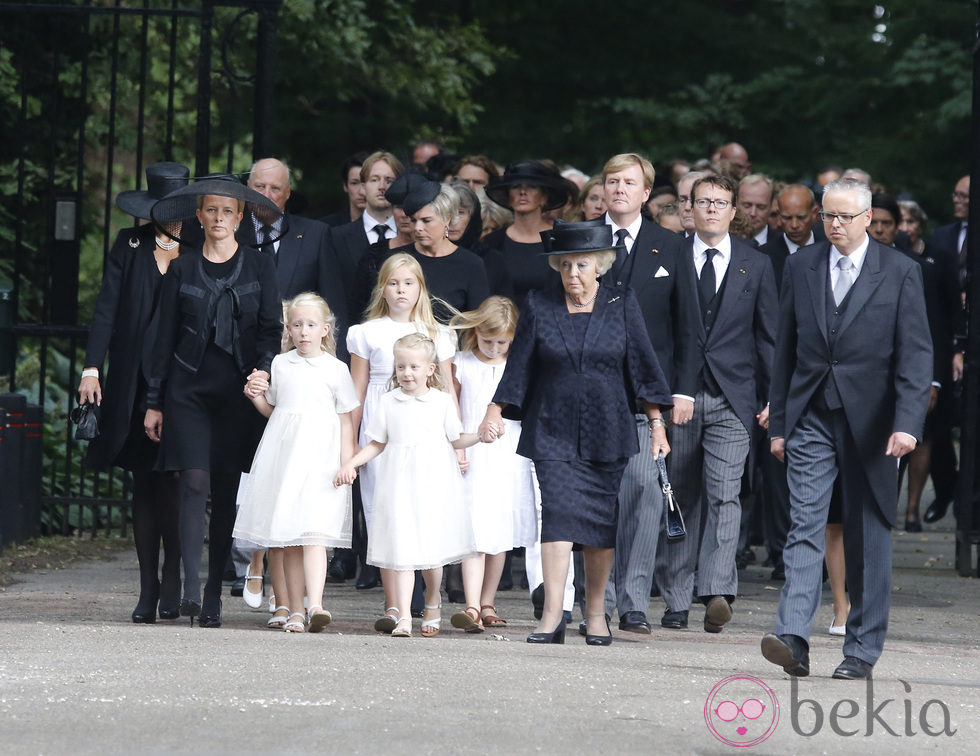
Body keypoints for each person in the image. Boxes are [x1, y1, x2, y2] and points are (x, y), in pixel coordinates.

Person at [763, 177, 932, 680]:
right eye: (826, 216)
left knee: (869, 532)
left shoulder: (900, 271)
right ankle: (793, 635)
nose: (832, 225)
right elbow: (784, 351)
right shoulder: (800, 265)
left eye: (842, 217)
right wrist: (780, 421)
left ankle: (861, 647)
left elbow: (915, 353)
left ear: (865, 220)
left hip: (877, 423)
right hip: (812, 411)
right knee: (805, 524)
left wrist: (908, 424)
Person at [481, 219, 672, 646]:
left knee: (600, 525)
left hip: (608, 428)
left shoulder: (622, 302)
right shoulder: (538, 304)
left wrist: (657, 424)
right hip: (552, 428)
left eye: (581, 266)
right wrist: (494, 410)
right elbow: (521, 365)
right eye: (565, 266)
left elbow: (642, 364)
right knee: (559, 518)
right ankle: (553, 615)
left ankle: (597, 613)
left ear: (600, 266)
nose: (573, 275)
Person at [144, 176, 284, 628]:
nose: (219, 218)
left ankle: (210, 596)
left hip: (239, 391)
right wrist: (154, 400)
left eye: (228, 211)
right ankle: (187, 586)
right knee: (193, 482)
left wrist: (263, 370)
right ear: (199, 217)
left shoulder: (260, 266)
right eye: (211, 211)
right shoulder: (182, 268)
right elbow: (162, 335)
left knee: (225, 491)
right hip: (187, 388)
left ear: (240, 218)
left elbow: (268, 328)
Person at [656, 174, 777, 634]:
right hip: (678, 397)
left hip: (734, 397)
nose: (710, 209)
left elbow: (769, 335)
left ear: (733, 211)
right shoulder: (668, 256)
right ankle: (676, 598)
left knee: (725, 495)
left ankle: (718, 590)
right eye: (702, 201)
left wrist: (772, 397)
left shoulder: (756, 263)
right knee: (680, 495)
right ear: (690, 207)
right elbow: (661, 331)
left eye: (719, 202)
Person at [233, 157, 350, 602]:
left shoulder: (314, 234)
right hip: (249, 365)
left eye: (274, 188)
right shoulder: (232, 231)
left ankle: (295, 587)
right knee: (253, 474)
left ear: (287, 192)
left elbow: (331, 297)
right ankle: (248, 561)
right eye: (257, 187)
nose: (266, 195)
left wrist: (317, 348)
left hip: (304, 364)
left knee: (298, 483)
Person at [79, 161, 190, 623]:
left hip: (183, 378)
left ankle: (174, 579)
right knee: (144, 481)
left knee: (176, 482)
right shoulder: (129, 244)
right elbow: (106, 309)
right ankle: (148, 588)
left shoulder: (203, 246)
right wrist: (91, 367)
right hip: (133, 378)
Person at [599, 153, 695, 635]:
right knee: (598, 497)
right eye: (612, 181)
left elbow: (686, 326)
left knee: (644, 495)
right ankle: (597, 602)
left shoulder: (671, 246)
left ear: (645, 193)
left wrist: (683, 391)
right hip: (590, 390)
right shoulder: (582, 238)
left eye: (629, 182)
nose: (619, 189)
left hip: (648, 396)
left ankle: (634, 601)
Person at [334, 333, 483, 637]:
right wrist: (352, 462)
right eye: (401, 367)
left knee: (429, 549)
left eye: (414, 367)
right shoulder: (389, 401)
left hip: (432, 481)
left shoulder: (440, 402)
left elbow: (456, 438)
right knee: (402, 548)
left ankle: (432, 599)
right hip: (398, 482)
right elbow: (377, 442)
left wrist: (480, 435)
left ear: (430, 369)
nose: (407, 373)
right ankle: (403, 616)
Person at [233, 293, 358, 632]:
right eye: (298, 325)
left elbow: (346, 418)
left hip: (321, 459)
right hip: (284, 456)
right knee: (287, 535)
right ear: (288, 329)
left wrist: (348, 461)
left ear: (325, 330)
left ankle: (314, 604)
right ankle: (293, 610)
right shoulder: (279, 364)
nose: (304, 332)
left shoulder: (336, 369)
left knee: (314, 533)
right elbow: (276, 411)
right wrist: (256, 397)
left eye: (311, 325)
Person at [346, 253, 456, 627]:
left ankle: (433, 598)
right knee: (384, 516)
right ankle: (395, 605)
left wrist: (457, 446)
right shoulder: (366, 332)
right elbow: (356, 392)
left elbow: (448, 391)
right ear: (383, 288)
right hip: (380, 426)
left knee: (423, 517)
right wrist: (350, 443)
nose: (400, 290)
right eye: (393, 282)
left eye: (409, 283)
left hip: (424, 434)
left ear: (420, 288)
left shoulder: (438, 334)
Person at [448, 297, 536, 632]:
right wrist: (458, 447)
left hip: (508, 454)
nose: (495, 347)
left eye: (503, 342)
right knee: (475, 529)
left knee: (500, 531)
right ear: (476, 333)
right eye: (488, 341)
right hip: (474, 452)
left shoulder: (517, 366)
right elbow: (453, 407)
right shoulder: (462, 363)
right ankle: (470, 604)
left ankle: (487, 601)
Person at [922, 175, 969, 525]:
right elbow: (942, 299)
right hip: (947, 339)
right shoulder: (940, 237)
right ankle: (946, 488)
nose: (957, 200)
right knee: (938, 426)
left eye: (965, 196)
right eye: (955, 194)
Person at [480, 160, 573, 306]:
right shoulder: (492, 242)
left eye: (532, 186)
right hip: (505, 326)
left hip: (551, 325)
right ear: (508, 196)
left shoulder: (562, 240)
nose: (523, 192)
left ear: (544, 197)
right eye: (516, 186)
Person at [397, 181, 491, 321]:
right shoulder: (397, 259)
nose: (418, 227)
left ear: (447, 219)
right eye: (413, 220)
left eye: (426, 220)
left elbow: (478, 322)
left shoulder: (471, 265)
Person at [326, 151, 405, 311]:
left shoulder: (411, 235)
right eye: (374, 180)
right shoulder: (336, 238)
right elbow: (331, 292)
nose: (382, 187)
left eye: (389, 180)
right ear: (363, 186)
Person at [321, 151, 369, 227]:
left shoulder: (389, 227)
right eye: (354, 183)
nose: (361, 191)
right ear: (345, 186)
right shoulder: (327, 227)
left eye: (366, 183)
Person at [737, 174, 775, 247]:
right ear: (736, 204)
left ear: (771, 206)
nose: (753, 213)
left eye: (761, 207)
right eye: (747, 205)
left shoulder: (783, 245)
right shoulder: (722, 241)